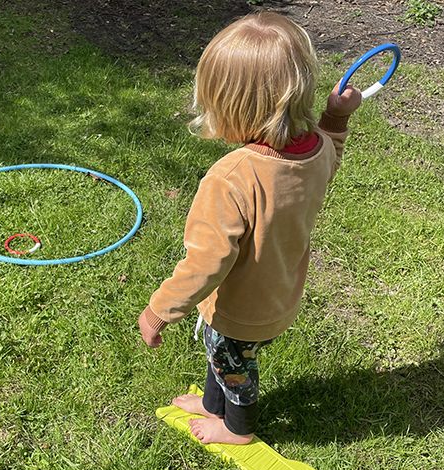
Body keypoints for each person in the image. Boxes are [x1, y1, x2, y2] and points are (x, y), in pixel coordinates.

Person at [138, 11, 362, 445]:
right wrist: (335, 117)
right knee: (221, 355)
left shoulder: (232, 177)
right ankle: (209, 403)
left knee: (234, 366)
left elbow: (206, 262)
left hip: (242, 307)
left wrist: (159, 310)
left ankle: (236, 427)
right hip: (278, 288)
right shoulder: (313, 148)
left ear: (232, 107)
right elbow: (331, 158)